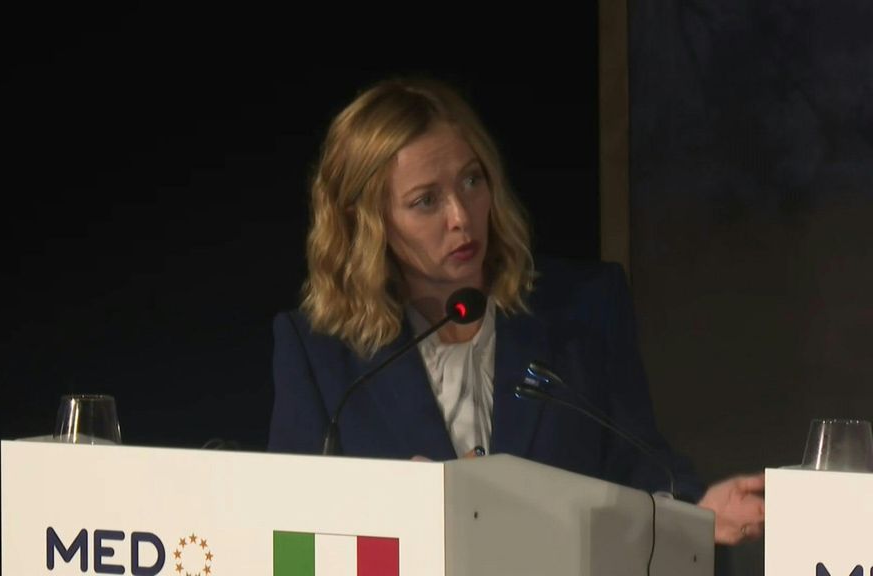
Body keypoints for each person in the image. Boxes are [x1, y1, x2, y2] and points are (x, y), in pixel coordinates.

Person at [267, 76, 764, 546]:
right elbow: (289, 526)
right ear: (368, 220)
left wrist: (696, 513)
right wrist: (399, 504)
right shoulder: (321, 355)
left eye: (471, 180)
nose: (461, 216)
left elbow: (640, 465)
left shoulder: (584, 306)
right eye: (426, 201)